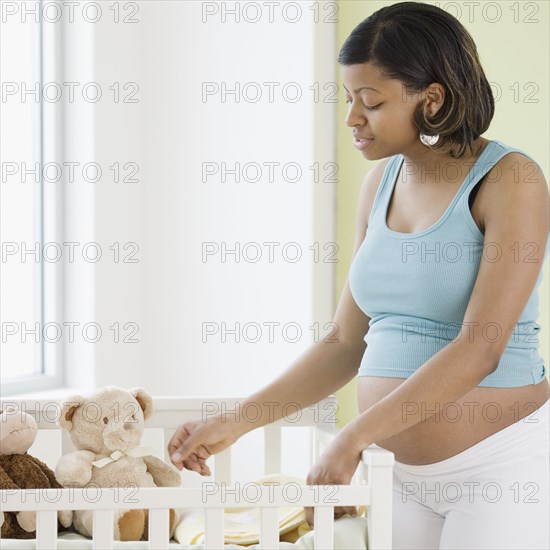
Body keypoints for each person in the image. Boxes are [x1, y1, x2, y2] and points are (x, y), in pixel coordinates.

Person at [168, 2, 550, 548]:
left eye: (370, 102)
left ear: (432, 99)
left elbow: (480, 348)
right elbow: (345, 341)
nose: (352, 117)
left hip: (500, 469)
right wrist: (234, 422)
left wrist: (352, 438)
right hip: (402, 478)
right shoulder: (379, 187)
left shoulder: (512, 180)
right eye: (349, 99)